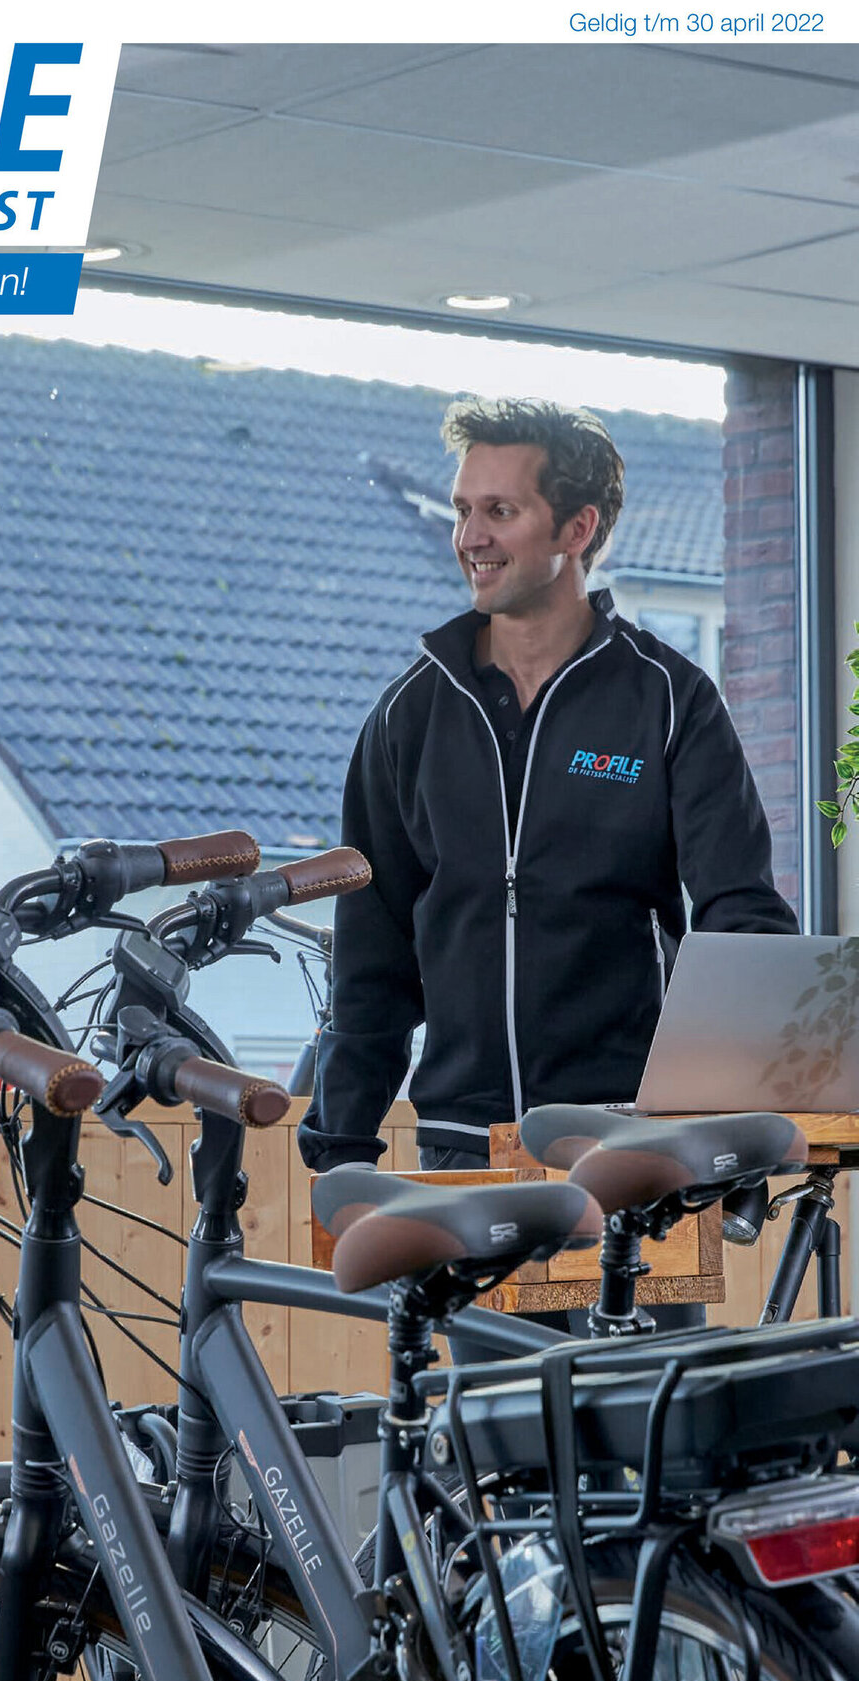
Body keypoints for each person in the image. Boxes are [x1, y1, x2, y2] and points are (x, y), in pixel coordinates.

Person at [297, 397, 797, 1284]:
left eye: (500, 510)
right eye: (464, 509)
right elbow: (372, 952)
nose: (471, 537)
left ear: (578, 527)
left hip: (631, 1153)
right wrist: (342, 1143)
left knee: (641, 1380)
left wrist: (728, 1129)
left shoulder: (669, 701)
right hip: (464, 1151)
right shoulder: (410, 715)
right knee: (484, 1383)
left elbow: (740, 919)